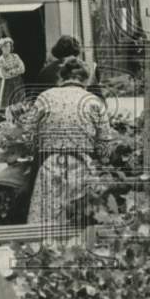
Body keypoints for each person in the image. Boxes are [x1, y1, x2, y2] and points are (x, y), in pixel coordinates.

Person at [25, 57, 113, 228]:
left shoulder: (45, 97)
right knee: (80, 223)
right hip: (83, 167)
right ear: (85, 80)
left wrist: (38, 147)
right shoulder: (94, 101)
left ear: (61, 78)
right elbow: (104, 145)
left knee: (45, 222)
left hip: (50, 165)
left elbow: (28, 133)